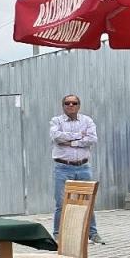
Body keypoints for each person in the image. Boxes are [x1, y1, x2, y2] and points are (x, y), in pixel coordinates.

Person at [51, 93, 102, 244]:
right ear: (63, 106)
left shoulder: (87, 120)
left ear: (79, 105)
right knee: (61, 203)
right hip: (62, 167)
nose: (71, 105)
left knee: (88, 200)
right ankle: (57, 235)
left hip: (83, 167)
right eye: (67, 103)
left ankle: (92, 233)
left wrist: (71, 142)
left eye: (74, 103)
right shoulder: (56, 121)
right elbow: (56, 137)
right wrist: (80, 135)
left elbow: (92, 139)